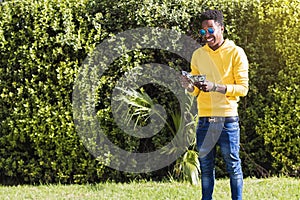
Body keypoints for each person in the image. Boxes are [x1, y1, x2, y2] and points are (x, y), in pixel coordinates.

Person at [180, 9, 249, 200]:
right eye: (203, 32)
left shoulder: (236, 53)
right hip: (204, 121)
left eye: (210, 30)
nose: (206, 35)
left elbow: (243, 89)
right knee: (206, 167)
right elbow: (195, 91)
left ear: (221, 28)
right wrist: (188, 86)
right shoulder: (198, 55)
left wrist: (215, 87)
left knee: (233, 166)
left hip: (227, 120)